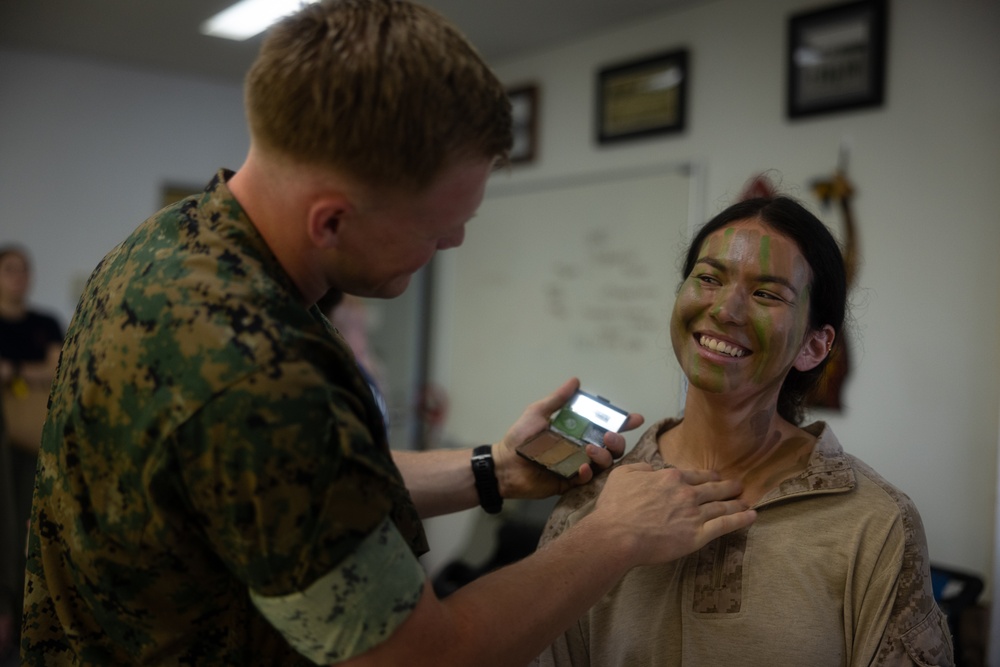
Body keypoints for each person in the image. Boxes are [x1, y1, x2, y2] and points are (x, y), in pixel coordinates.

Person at [19, 1, 757, 665]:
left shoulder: (169, 245)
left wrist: (492, 469)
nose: (456, 244)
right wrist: (612, 538)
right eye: (439, 229)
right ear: (332, 220)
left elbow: (292, 485)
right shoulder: (260, 376)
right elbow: (421, 658)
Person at [532, 196, 954, 667]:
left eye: (767, 294)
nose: (726, 309)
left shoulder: (874, 522)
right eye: (709, 278)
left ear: (815, 345)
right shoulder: (593, 503)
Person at [0, 244, 63, 664]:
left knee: (32, 524)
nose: (19, 277)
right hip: (3, 441)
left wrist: (16, 371)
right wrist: (35, 370)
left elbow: (59, 367)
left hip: (37, 437)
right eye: (10, 269)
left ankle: (29, 627)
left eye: (25, 269)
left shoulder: (46, 322)